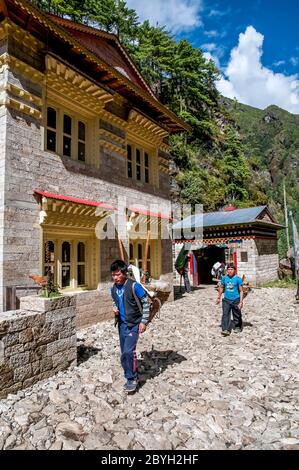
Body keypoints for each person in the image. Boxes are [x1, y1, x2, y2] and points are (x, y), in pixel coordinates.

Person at [110, 260, 150, 393]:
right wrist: (114, 308)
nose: (115, 277)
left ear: (124, 273)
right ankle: (132, 372)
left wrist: (143, 322)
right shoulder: (113, 289)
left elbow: (146, 303)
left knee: (128, 351)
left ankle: (131, 378)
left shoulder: (134, 286)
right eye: (113, 275)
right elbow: (114, 302)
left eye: (117, 274)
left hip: (134, 324)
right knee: (124, 353)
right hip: (122, 325)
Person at [216, 263, 244, 336]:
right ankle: (225, 329)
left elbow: (241, 291)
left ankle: (238, 326)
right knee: (225, 314)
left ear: (234, 270)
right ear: (227, 270)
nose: (230, 271)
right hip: (226, 300)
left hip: (236, 299)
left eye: (231, 269)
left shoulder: (238, 279)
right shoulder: (224, 278)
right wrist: (219, 297)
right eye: (228, 269)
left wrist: (241, 302)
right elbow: (221, 287)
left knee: (237, 314)